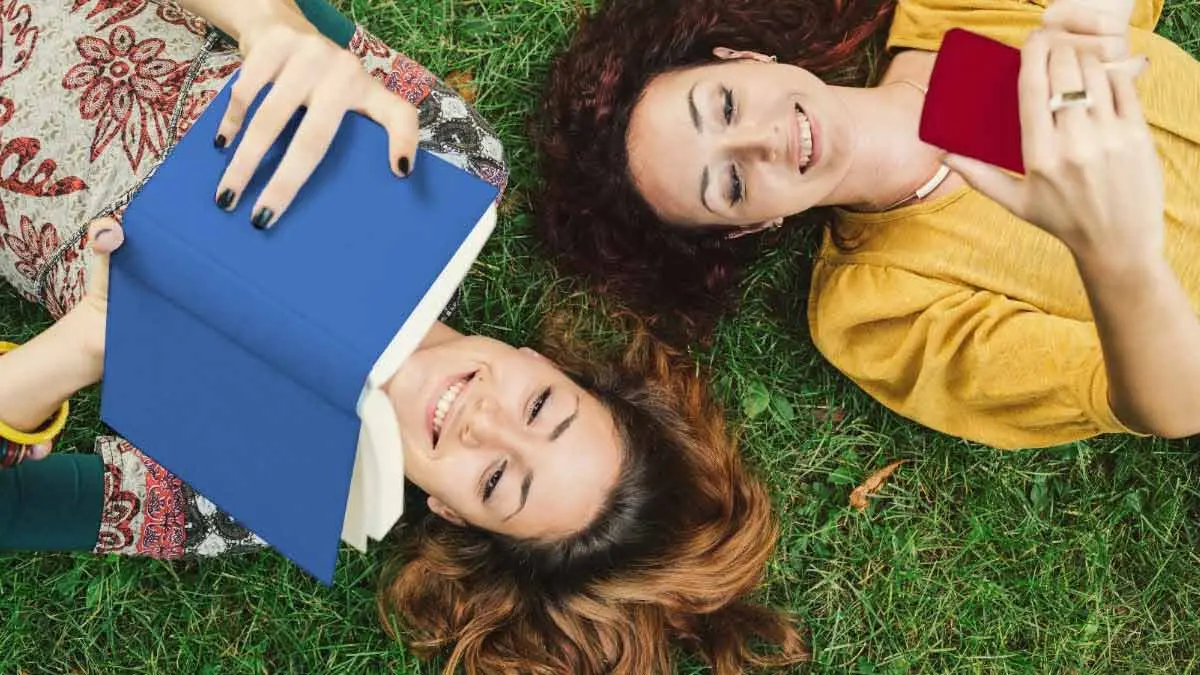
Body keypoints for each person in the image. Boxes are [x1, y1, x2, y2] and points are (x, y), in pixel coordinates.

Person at [0, 2, 807, 674]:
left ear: (454, 514)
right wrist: (277, 30)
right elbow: (289, 29)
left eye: (497, 479)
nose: (482, 420)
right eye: (540, 406)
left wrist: (79, 350)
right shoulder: (448, 171)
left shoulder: (246, 491)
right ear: (546, 361)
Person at [534, 0, 1200, 450]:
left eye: (726, 104)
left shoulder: (951, 15)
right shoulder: (875, 308)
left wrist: (1093, 23)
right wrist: (1117, 256)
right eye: (730, 183)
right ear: (750, 227)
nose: (763, 142)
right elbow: (1174, 404)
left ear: (744, 58)